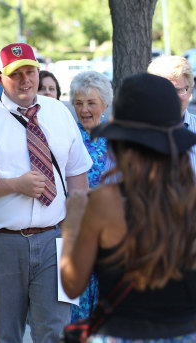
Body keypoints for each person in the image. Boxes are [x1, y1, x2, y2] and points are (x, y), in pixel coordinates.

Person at [0, 43, 92, 343]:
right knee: (6, 334)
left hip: (56, 240)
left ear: (39, 73)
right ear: (1, 78)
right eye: (16, 74)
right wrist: (15, 184)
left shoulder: (59, 112)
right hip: (0, 244)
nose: (25, 79)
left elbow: (77, 175)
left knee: (54, 332)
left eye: (30, 71)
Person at [60, 73, 196, 342]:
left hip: (122, 334)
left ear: (121, 142)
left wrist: (73, 222)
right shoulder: (190, 197)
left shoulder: (105, 202)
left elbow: (72, 285)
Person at [67, 70, 113, 321]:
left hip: (109, 236)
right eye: (79, 103)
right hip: (74, 234)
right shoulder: (66, 137)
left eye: (91, 103)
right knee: (75, 311)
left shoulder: (117, 140)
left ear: (104, 104)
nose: (84, 109)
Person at [147, 55, 196, 172]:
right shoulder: (131, 133)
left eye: (177, 90)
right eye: (163, 90)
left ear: (190, 90)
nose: (170, 97)